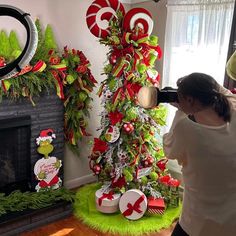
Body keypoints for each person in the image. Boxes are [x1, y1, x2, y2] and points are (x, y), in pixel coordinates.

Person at [138, 72, 236, 236]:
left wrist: (181, 110)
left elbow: (168, 149)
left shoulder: (185, 130)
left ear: (190, 100)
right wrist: (199, 88)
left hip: (198, 223)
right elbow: (224, 93)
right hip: (230, 223)